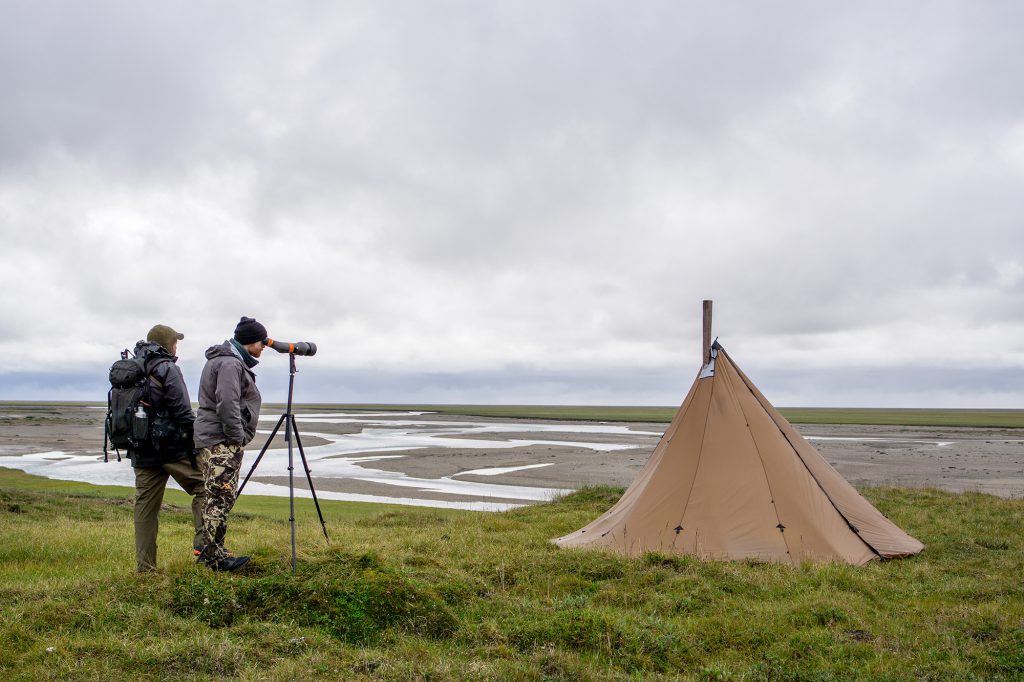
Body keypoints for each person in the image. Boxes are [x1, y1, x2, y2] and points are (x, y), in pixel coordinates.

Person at [193, 316, 267, 571]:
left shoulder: (224, 361)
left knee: (219, 495)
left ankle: (215, 552)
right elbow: (227, 403)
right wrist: (237, 437)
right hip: (220, 441)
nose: (263, 347)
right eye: (260, 342)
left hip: (214, 438)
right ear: (249, 342)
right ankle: (213, 559)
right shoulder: (229, 364)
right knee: (220, 496)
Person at [130, 324, 205, 573]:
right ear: (167, 344)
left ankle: (145, 569)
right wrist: (197, 443)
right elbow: (183, 411)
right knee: (206, 487)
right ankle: (205, 549)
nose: (177, 347)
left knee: (145, 508)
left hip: (140, 449)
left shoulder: (132, 367)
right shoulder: (168, 368)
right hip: (170, 448)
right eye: (175, 342)